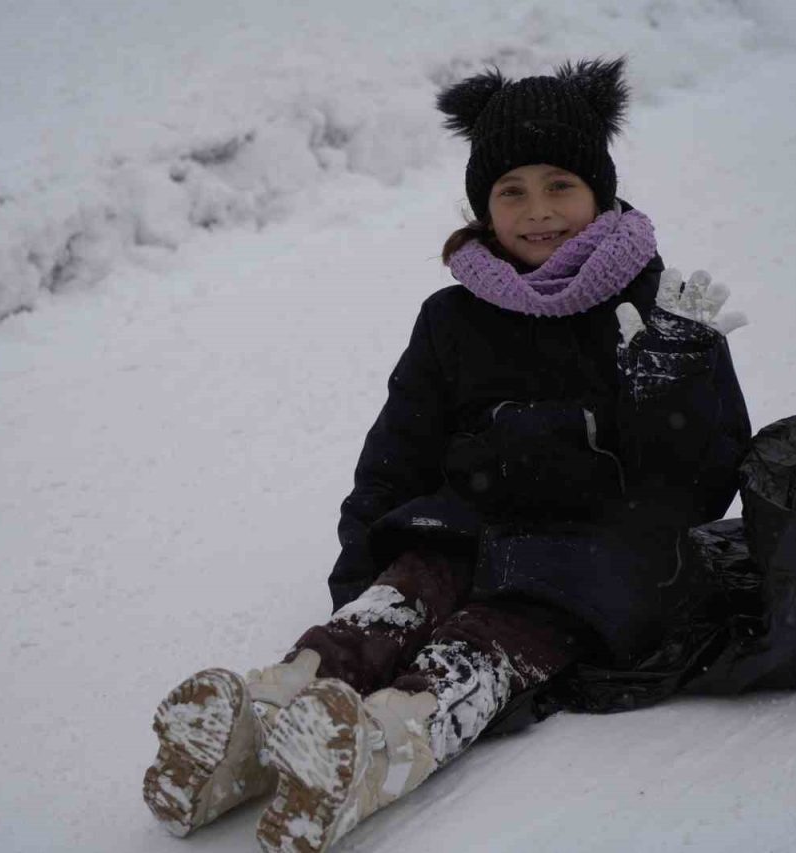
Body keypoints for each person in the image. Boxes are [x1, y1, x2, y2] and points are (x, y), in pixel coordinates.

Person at [142, 58, 751, 853]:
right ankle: (260, 720)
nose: (539, 211)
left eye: (560, 184)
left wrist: (679, 385)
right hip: (466, 524)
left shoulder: (654, 313)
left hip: (587, 557)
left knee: (484, 640)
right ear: (483, 206)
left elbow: (703, 483)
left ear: (599, 190)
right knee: (401, 593)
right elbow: (396, 452)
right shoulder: (453, 318)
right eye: (512, 192)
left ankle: (383, 745)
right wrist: (362, 570)